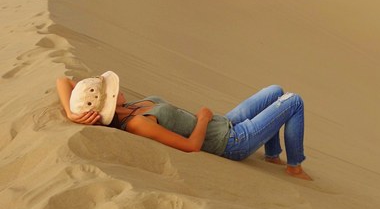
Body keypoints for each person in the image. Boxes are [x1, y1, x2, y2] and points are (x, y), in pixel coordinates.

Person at [55, 71, 312, 180]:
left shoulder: (128, 107)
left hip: (224, 122)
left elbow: (63, 80)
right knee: (293, 101)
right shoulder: (136, 124)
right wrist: (201, 118)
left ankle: (272, 156)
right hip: (232, 141)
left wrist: (71, 112)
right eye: (112, 91)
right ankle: (295, 167)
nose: (117, 89)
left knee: (274, 91)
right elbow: (191, 146)